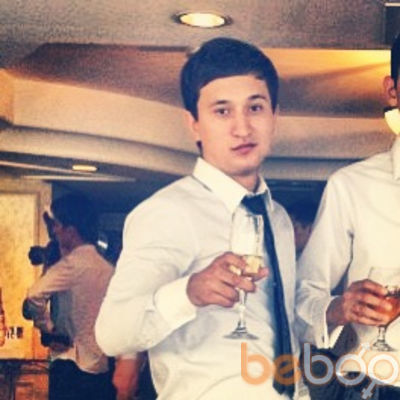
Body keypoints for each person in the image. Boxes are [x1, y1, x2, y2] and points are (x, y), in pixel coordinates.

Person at [96, 37, 300, 399]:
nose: (242, 128)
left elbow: (281, 332)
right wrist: (188, 292)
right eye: (222, 111)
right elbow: (112, 333)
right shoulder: (167, 212)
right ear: (194, 124)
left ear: (274, 116)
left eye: (255, 107)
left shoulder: (278, 218)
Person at [295, 35, 400, 399]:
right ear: (392, 90)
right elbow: (303, 299)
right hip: (379, 386)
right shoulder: (351, 187)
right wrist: (339, 308)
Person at [24, 193, 115, 400]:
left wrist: (48, 328)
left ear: (71, 231)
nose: (54, 231)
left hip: (71, 362)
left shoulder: (71, 265)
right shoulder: (108, 269)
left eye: (57, 225)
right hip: (101, 366)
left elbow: (34, 296)